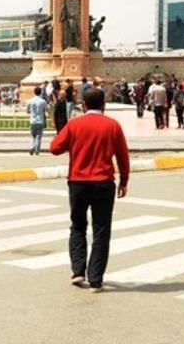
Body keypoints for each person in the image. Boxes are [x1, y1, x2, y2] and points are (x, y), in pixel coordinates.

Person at [50, 88, 129, 293]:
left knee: (77, 226)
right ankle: (95, 279)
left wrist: (73, 142)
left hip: (78, 182)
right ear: (104, 104)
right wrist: (124, 181)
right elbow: (122, 156)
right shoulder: (112, 125)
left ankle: (78, 271)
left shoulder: (75, 124)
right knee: (101, 230)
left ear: (83, 105)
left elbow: (54, 148)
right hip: (104, 182)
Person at [26, 87, 48, 155]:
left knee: (32, 135)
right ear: (40, 92)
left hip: (33, 120)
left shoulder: (29, 101)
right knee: (38, 136)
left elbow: (28, 111)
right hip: (40, 120)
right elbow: (45, 109)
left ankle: (32, 146)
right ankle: (37, 149)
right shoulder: (43, 101)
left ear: (34, 92)